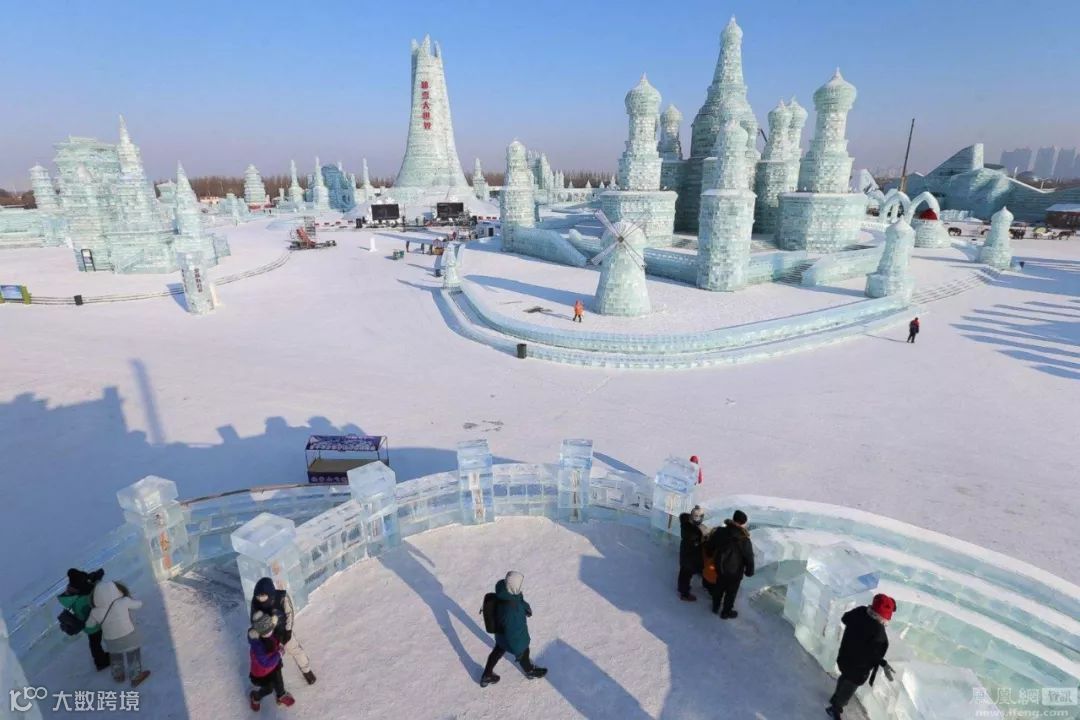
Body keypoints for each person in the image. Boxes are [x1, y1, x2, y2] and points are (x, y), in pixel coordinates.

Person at [827, 594, 897, 718]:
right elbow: (874, 654)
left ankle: (836, 698)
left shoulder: (860, 611)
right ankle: (835, 708)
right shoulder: (878, 631)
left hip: (845, 657)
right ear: (883, 617)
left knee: (844, 677)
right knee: (849, 688)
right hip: (858, 669)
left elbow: (845, 618)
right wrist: (884, 664)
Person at [480, 571, 547, 687]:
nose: (520, 587)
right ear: (513, 587)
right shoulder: (511, 611)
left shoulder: (506, 592)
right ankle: (530, 671)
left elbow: (518, 599)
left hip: (501, 635)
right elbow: (512, 632)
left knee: (498, 650)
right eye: (519, 585)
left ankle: (487, 674)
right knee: (524, 653)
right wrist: (519, 651)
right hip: (514, 638)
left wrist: (526, 608)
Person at [251, 577, 316, 685]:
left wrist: (288, 630)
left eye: (263, 596)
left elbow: (290, 614)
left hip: (283, 631)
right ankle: (276, 684)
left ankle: (307, 671)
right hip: (267, 635)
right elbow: (253, 619)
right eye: (258, 596)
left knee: (296, 651)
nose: (260, 599)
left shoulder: (281, 597)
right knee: (272, 659)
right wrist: (262, 635)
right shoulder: (255, 602)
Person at [88, 580, 150, 687]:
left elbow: (89, 625)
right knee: (133, 654)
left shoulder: (95, 611)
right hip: (128, 636)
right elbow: (139, 604)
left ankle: (118, 675)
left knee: (115, 657)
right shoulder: (123, 601)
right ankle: (136, 676)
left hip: (111, 640)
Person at [58, 568, 110, 671]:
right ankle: (101, 662)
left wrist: (92, 578)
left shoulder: (72, 595)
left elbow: (90, 581)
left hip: (87, 624)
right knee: (96, 643)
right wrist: (95, 578)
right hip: (93, 623)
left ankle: (100, 659)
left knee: (94, 643)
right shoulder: (85, 593)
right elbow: (94, 585)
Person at [707, 510, 754, 619]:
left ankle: (715, 607)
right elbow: (749, 557)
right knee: (731, 593)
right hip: (735, 571)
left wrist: (710, 554)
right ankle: (726, 612)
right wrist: (749, 571)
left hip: (720, 567)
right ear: (743, 523)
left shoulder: (721, 531)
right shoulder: (744, 539)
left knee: (719, 587)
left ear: (733, 518)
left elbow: (711, 545)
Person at [248, 611, 295, 710]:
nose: (270, 633)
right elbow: (265, 663)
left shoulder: (266, 631)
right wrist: (279, 654)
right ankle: (256, 697)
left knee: (278, 679)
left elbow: (270, 632)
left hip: (273, 664)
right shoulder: (258, 646)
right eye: (267, 632)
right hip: (262, 673)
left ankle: (281, 695)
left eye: (271, 630)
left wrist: (273, 623)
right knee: (268, 688)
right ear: (259, 632)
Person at [677, 506, 708, 601]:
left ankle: (682, 590)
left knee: (684, 572)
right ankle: (684, 594)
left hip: (685, 553)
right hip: (690, 557)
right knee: (686, 574)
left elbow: (684, 516)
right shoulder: (695, 532)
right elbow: (700, 540)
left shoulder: (685, 524)